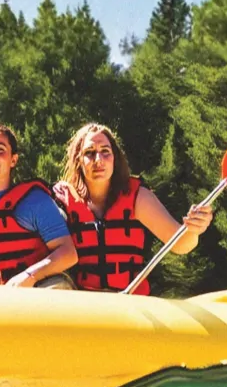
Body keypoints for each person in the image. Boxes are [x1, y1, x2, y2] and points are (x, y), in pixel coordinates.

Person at [54, 122, 213, 294]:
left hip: (130, 303)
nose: (98, 160)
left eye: (105, 152)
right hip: (84, 304)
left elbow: (181, 244)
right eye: (90, 153)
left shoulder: (138, 197)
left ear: (115, 158)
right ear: (78, 160)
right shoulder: (62, 200)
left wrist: (193, 231)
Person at [0, 123, 77, 287]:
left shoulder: (34, 201)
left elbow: (68, 254)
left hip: (35, 294)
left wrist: (29, 276)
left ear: (13, 160)